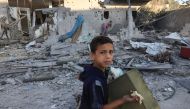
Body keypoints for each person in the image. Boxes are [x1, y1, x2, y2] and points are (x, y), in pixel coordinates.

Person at [78, 36, 139, 109]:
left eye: (111, 52)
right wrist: (123, 100)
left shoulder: (93, 69)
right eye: (102, 52)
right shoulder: (95, 82)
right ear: (92, 56)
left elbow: (80, 76)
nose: (108, 56)